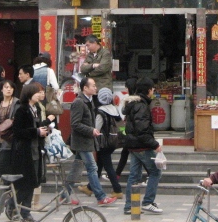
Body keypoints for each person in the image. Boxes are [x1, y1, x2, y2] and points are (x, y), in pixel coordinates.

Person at [70, 77, 117, 206]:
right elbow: (75, 124)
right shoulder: (79, 102)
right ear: (85, 88)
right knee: (92, 167)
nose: (96, 88)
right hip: (82, 142)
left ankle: (64, 195)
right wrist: (91, 130)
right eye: (93, 86)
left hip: (86, 141)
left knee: (75, 169)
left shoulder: (89, 101)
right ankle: (101, 197)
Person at [10, 82, 51, 222]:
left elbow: (37, 127)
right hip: (24, 152)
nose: (39, 95)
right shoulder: (22, 110)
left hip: (36, 150)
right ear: (29, 94)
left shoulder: (36, 109)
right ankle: (13, 205)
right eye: (37, 92)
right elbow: (18, 131)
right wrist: (36, 132)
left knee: (33, 182)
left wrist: (44, 130)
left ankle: (25, 211)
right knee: (26, 183)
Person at [122, 76, 163, 215]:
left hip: (133, 145)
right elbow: (142, 130)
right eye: (152, 89)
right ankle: (148, 202)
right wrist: (154, 144)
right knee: (155, 171)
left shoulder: (134, 104)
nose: (153, 91)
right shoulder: (142, 106)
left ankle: (129, 206)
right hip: (142, 145)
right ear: (149, 90)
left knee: (134, 175)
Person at [96, 87, 123, 198]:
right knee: (99, 164)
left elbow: (96, 129)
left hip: (104, 143)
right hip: (114, 142)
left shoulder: (100, 112)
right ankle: (90, 187)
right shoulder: (115, 110)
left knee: (108, 166)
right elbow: (121, 125)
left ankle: (117, 190)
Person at [0, 80, 19, 183]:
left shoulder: (16, 103)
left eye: (11, 87)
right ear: (2, 90)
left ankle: (4, 179)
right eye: (6, 87)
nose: (9, 89)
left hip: (9, 135)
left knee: (4, 159)